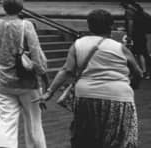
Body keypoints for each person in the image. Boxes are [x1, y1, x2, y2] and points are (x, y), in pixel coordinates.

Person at [43, 8, 141, 148]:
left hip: (86, 96)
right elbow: (137, 72)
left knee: (86, 141)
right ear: (111, 26)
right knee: (119, 141)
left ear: (89, 26)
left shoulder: (78, 44)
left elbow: (66, 70)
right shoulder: (120, 48)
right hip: (119, 97)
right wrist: (133, 85)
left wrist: (49, 92)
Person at [0, 0, 49, 148]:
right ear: (21, 6)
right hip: (27, 82)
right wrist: (45, 79)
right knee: (34, 122)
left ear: (3, 5)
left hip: (2, 81)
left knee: (7, 121)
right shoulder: (26, 25)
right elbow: (36, 54)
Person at [120, 0, 151, 79]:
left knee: (135, 53)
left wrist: (129, 36)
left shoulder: (129, 11)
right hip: (142, 34)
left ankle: (139, 72)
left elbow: (130, 24)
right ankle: (146, 72)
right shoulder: (138, 9)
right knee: (144, 53)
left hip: (135, 35)